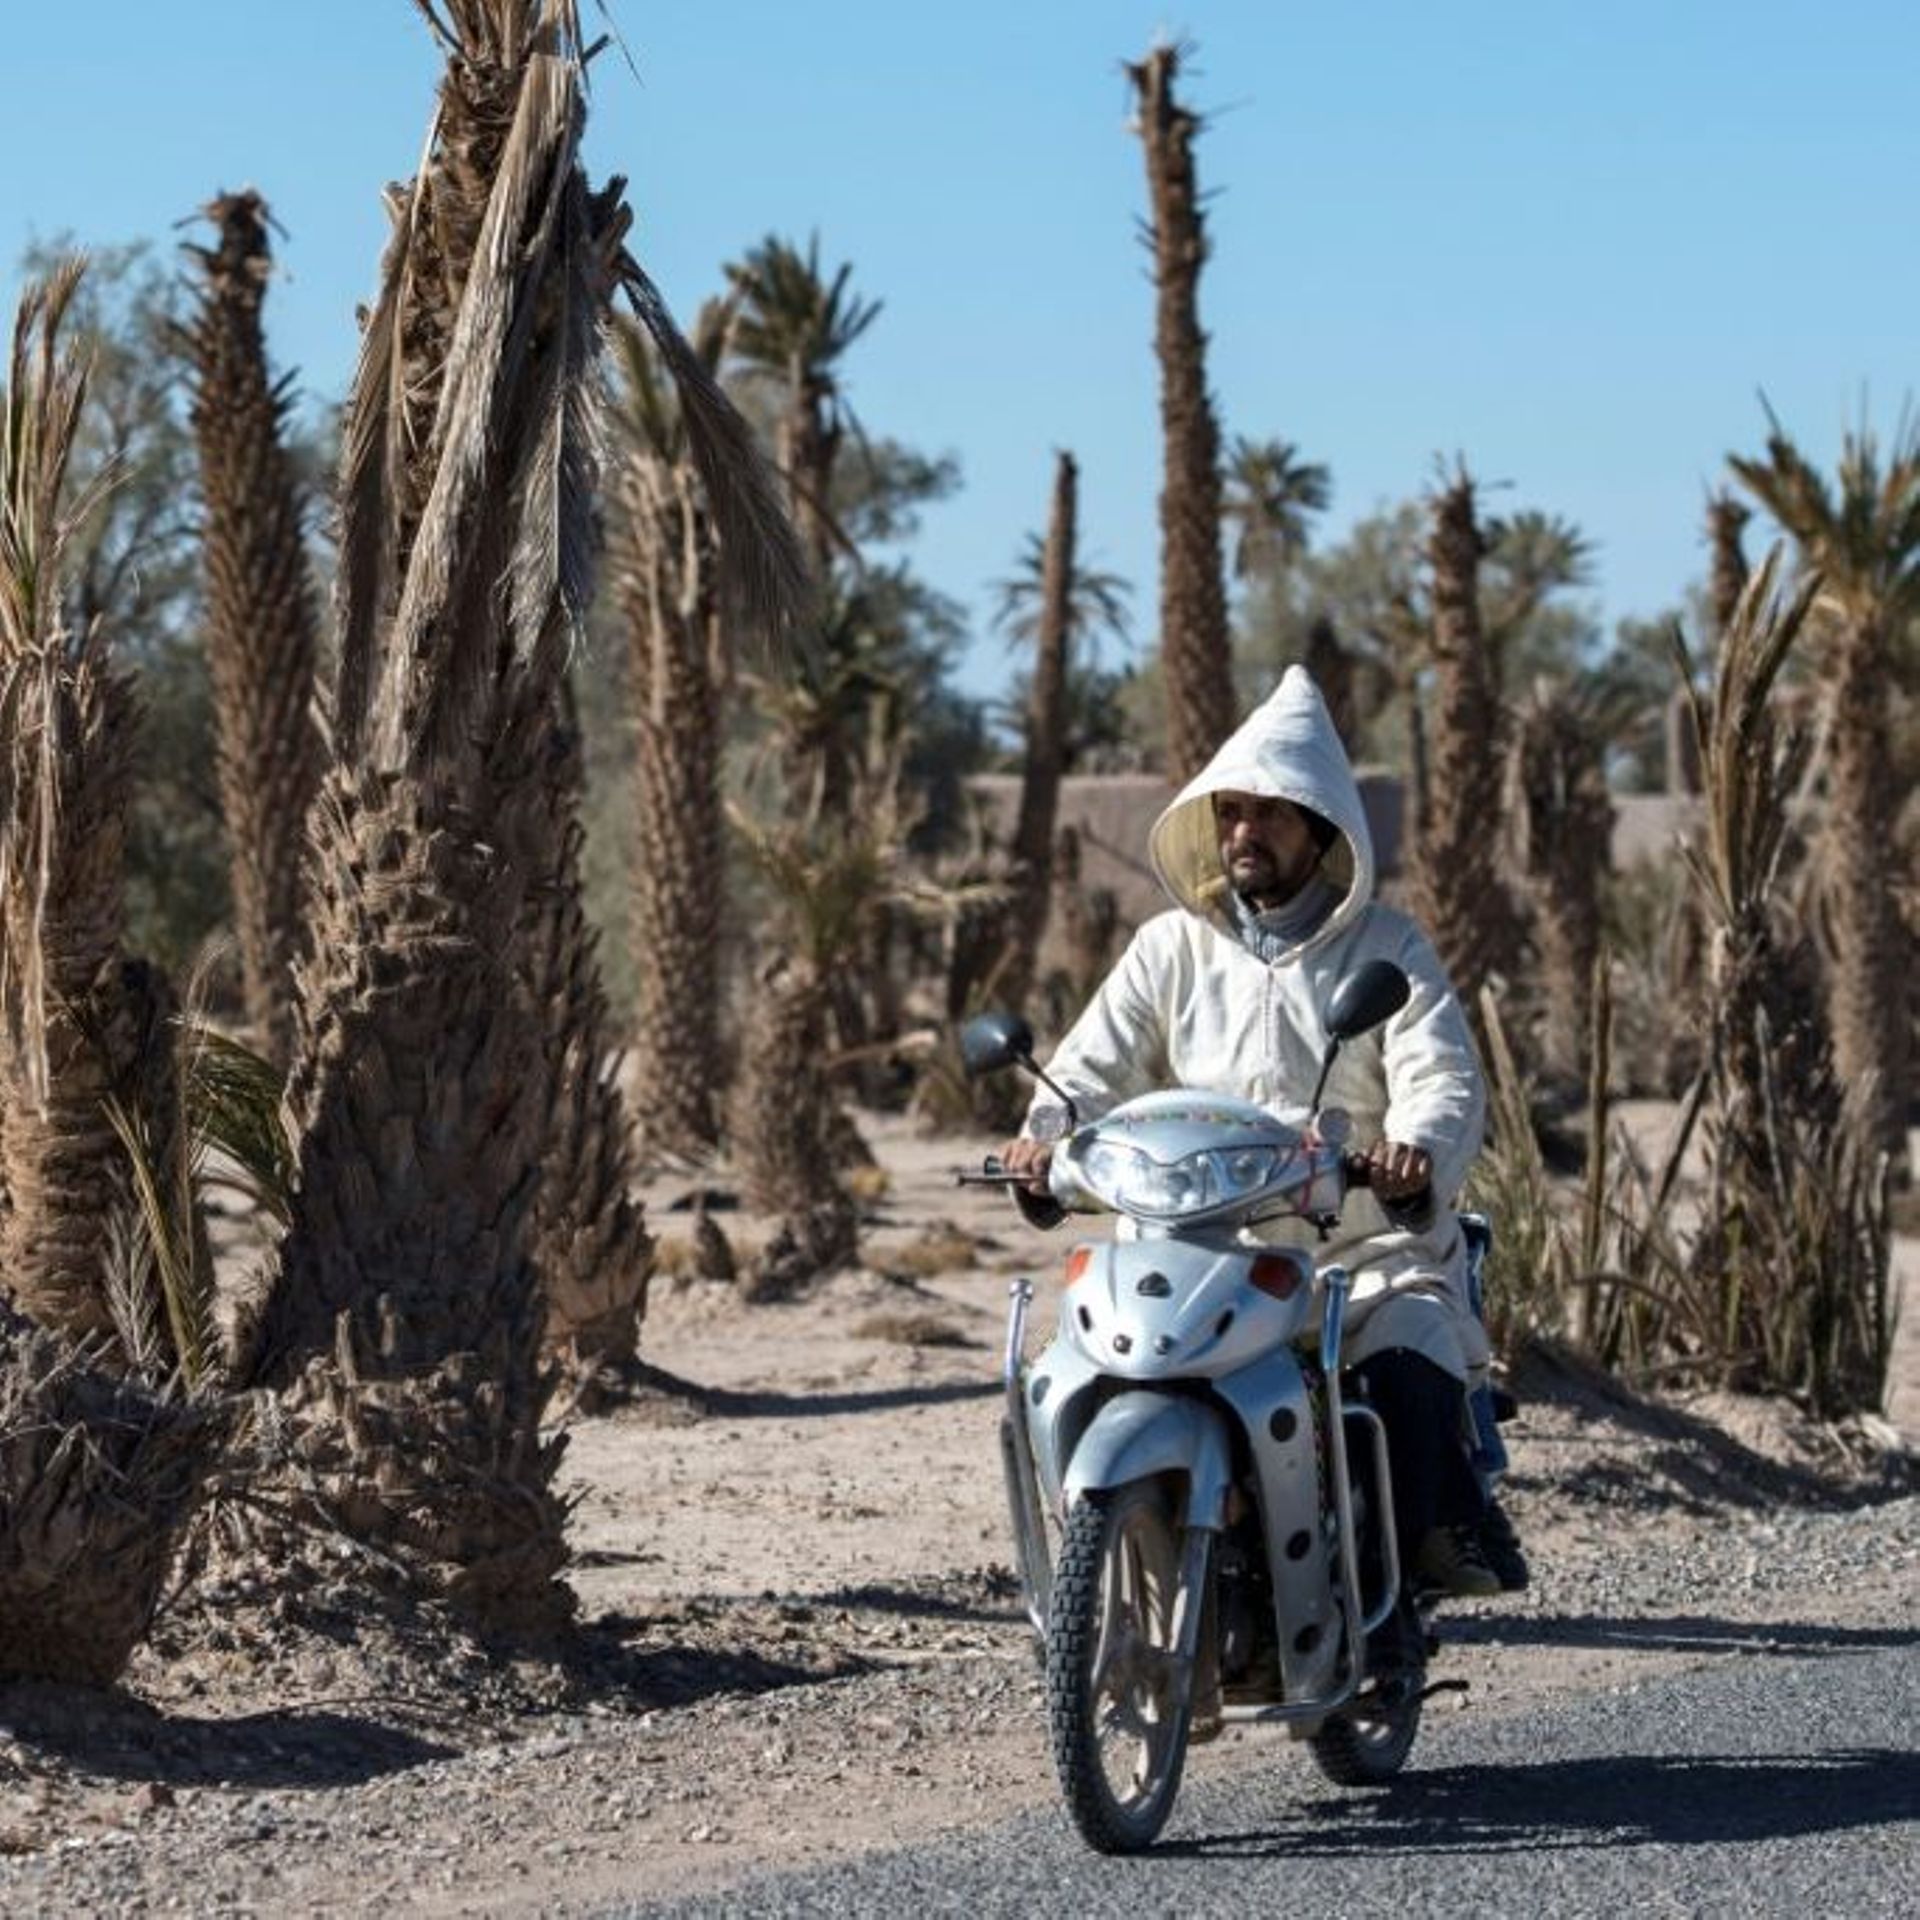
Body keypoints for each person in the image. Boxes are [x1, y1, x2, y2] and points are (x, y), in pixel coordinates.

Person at [1000, 666, 1523, 1603]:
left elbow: (1441, 1078)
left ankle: (1421, 1559)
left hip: (1352, 1254)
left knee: (1407, 1354)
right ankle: (1111, 1571)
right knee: (1068, 1368)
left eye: (1269, 815)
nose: (1244, 833)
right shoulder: (1171, 947)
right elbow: (1085, 1070)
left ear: (1319, 829)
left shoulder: (1389, 949)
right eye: (1231, 813)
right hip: (1201, 1255)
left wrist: (1413, 1156)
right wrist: (1043, 1139)